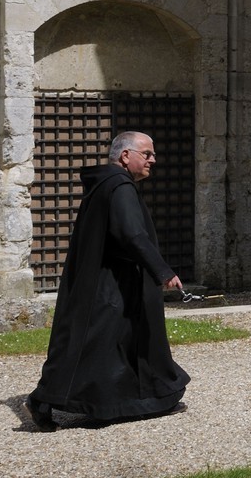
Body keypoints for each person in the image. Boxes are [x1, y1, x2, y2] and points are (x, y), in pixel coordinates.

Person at [23, 131, 190, 430]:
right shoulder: (120, 187)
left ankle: (124, 401)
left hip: (107, 282)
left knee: (107, 345)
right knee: (99, 344)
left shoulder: (106, 184)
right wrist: (163, 272)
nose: (153, 160)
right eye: (147, 154)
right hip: (114, 285)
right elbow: (132, 234)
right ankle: (45, 399)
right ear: (126, 156)